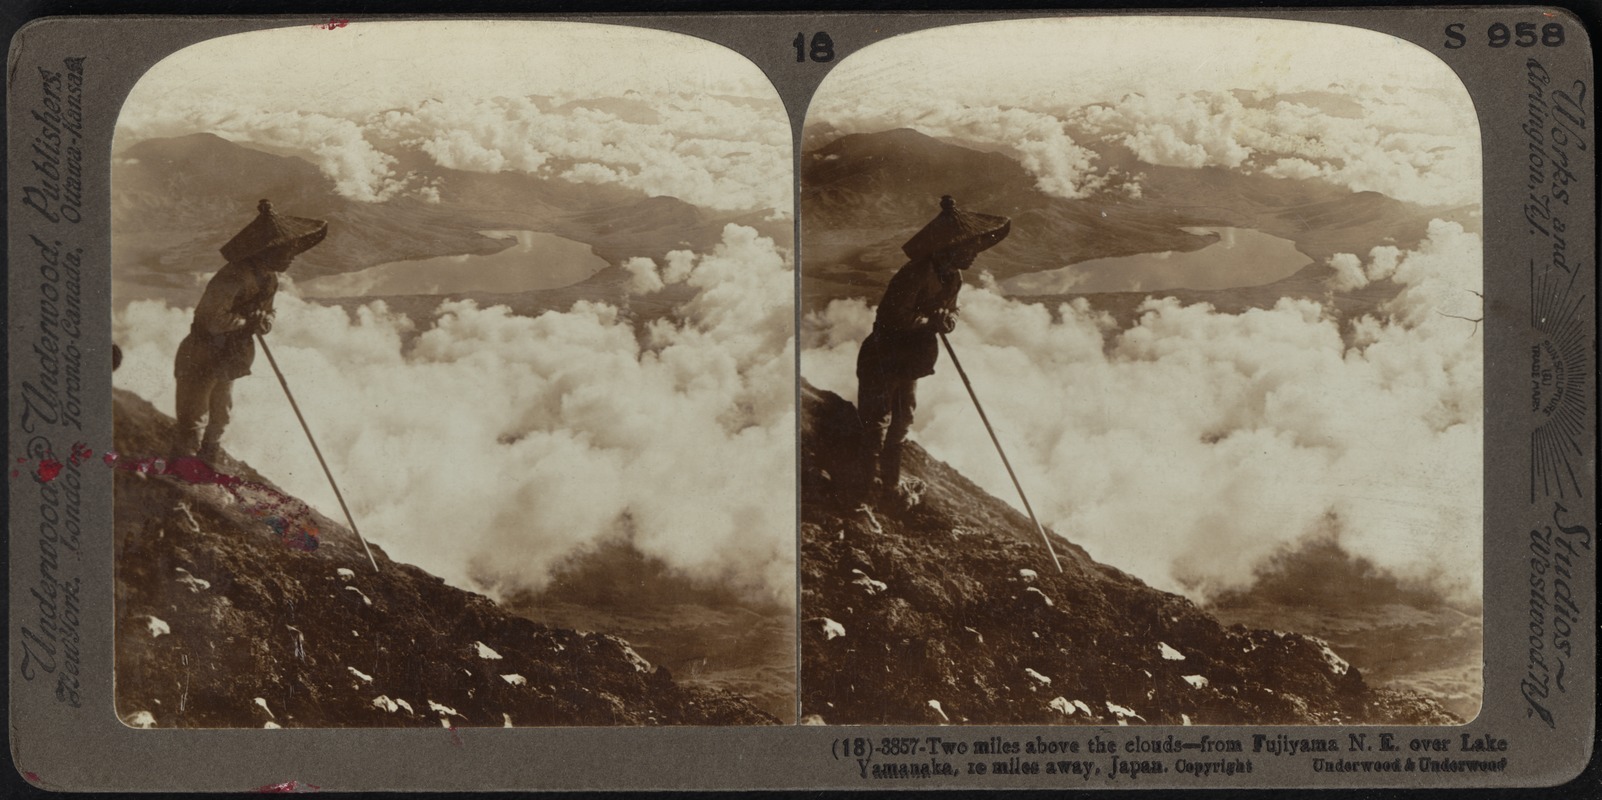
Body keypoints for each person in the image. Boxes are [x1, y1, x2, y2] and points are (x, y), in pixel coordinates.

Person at [856, 195, 1010, 509]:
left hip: (910, 362)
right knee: (877, 427)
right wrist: (930, 322)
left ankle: (888, 489)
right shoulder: (913, 274)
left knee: (900, 425)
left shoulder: (953, 277)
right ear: (950, 247)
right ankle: (860, 499)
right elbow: (892, 317)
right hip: (883, 359)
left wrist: (946, 321)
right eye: (969, 248)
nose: (975, 255)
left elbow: (951, 312)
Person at [172, 199, 327, 466]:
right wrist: (247, 323)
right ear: (268, 250)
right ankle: (184, 467)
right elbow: (211, 318)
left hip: (229, 354)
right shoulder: (234, 277)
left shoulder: (269, 279)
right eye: (286, 251)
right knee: (195, 413)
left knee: (222, 412)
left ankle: (208, 456)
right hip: (202, 352)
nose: (292, 257)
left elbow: (268, 314)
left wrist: (262, 320)